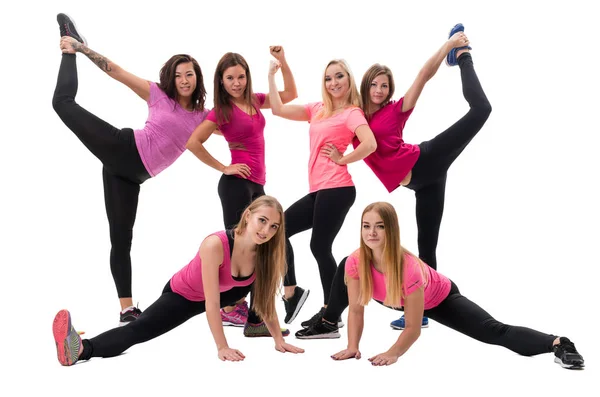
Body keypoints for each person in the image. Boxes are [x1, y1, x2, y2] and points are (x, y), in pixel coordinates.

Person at [52, 14, 210, 325]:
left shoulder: (204, 117)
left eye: (189, 74)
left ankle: (127, 309)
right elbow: (117, 72)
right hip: (123, 149)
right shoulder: (158, 94)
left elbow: (237, 121)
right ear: (171, 77)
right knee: (62, 102)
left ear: (197, 77)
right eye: (178, 75)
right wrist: (82, 50)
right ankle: (69, 46)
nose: (184, 80)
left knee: (121, 239)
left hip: (129, 176)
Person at [295, 202, 585, 370]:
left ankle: (557, 343)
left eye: (380, 226)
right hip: (392, 296)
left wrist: (393, 352)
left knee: (492, 331)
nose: (371, 232)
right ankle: (328, 321)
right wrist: (353, 347)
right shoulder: (356, 261)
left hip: (439, 298)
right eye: (366, 225)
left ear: (391, 229)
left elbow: (413, 326)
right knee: (344, 267)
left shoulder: (408, 268)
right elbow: (357, 310)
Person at [339, 23, 491, 329]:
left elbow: (423, 76)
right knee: (427, 245)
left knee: (481, 109)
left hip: (427, 160)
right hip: (423, 185)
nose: (380, 91)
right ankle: (421, 311)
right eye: (375, 85)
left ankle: (463, 56)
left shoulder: (395, 111)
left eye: (385, 86)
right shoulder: (354, 118)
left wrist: (449, 48)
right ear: (366, 86)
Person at [52, 196, 305, 366]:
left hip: (226, 293)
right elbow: (210, 302)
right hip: (185, 295)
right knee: (140, 331)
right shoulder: (215, 245)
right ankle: (80, 349)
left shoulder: (265, 254)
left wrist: (279, 340)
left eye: (273, 227)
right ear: (248, 216)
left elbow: (264, 302)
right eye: (263, 221)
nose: (266, 231)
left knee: (246, 293)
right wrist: (222, 347)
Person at [186, 48, 297, 336]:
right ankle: (239, 310)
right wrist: (224, 167)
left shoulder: (255, 100)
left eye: (241, 76)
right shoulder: (220, 112)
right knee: (243, 248)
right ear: (221, 82)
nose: (237, 83)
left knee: (264, 245)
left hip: (257, 184)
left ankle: (252, 314)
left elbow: (290, 94)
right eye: (230, 78)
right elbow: (193, 142)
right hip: (236, 184)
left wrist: (282, 62)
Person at [268, 58, 377, 326]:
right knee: (279, 230)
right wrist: (277, 69)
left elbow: (370, 143)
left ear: (348, 79)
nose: (334, 82)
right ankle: (292, 292)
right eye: (328, 78)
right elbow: (278, 109)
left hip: (338, 187)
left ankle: (331, 313)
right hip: (319, 189)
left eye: (339, 76)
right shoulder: (318, 109)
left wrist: (343, 159)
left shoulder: (352, 113)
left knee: (319, 246)